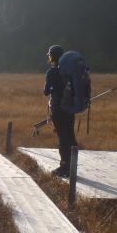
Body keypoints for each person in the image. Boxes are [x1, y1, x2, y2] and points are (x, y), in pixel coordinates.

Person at [43, 44, 77, 177]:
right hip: (70, 109)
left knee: (63, 138)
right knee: (70, 136)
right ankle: (72, 166)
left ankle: (64, 168)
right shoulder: (70, 71)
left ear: (52, 57)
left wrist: (53, 90)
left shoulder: (51, 72)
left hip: (57, 110)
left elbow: (46, 92)